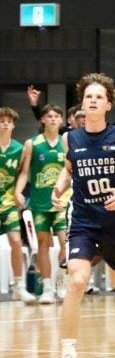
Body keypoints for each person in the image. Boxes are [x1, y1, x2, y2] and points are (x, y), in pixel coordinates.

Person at [51, 74, 115, 358]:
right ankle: (68, 354)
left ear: (108, 104)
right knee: (77, 281)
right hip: (82, 223)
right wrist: (59, 186)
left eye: (98, 97)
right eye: (88, 96)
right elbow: (68, 170)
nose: (92, 100)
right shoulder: (70, 138)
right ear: (83, 103)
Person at [15, 105, 68, 303]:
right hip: (39, 203)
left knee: (66, 243)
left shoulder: (67, 143)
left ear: (61, 121)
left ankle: (61, 281)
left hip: (62, 202)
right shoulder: (32, 143)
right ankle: (47, 287)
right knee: (43, 245)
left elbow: (72, 171)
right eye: (49, 116)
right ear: (42, 120)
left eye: (57, 116)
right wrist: (18, 191)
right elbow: (24, 172)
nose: (53, 119)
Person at [0, 108, 31, 301]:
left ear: (13, 125)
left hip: (7, 202)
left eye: (8, 121)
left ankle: (19, 286)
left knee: (16, 241)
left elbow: (22, 174)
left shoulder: (19, 149)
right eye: (1, 120)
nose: (4, 123)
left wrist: (18, 191)